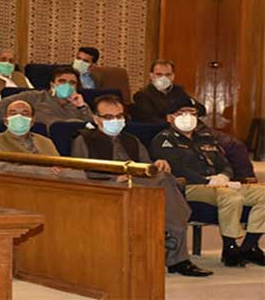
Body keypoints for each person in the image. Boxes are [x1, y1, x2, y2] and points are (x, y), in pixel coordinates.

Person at [71, 95, 212, 276]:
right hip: (107, 187)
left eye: (119, 116)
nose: (115, 121)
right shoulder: (83, 140)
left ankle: (176, 248)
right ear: (96, 119)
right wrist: (114, 179)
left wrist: (158, 164)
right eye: (108, 117)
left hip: (136, 184)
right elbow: (80, 174)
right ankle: (176, 254)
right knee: (166, 186)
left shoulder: (131, 140)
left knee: (164, 177)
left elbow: (147, 168)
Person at [149, 98, 265, 267]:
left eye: (192, 113)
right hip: (191, 186)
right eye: (182, 113)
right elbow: (177, 169)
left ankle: (249, 247)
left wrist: (224, 176)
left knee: (262, 194)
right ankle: (230, 247)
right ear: (169, 118)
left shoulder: (206, 138)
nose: (188, 117)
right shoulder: (163, 140)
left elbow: (225, 163)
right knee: (230, 196)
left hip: (219, 184)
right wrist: (207, 181)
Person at [132, 59, 255, 181]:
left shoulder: (178, 91)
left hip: (196, 128)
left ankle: (245, 178)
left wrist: (192, 110)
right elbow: (146, 118)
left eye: (168, 75)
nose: (163, 78)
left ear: (173, 76)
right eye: (159, 74)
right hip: (171, 130)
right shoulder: (143, 95)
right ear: (151, 75)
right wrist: (169, 118)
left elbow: (201, 109)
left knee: (234, 145)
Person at [0, 100, 84, 178]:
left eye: (25, 113)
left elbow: (59, 167)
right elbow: (2, 170)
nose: (19, 117)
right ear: (5, 120)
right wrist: (46, 171)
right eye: (13, 113)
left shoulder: (46, 141)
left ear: (32, 121)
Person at [0, 66, 93, 125]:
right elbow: (0, 105)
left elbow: (91, 127)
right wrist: (14, 124)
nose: (67, 85)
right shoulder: (35, 96)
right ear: (52, 85)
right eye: (62, 81)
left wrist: (81, 107)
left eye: (72, 83)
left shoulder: (80, 105)